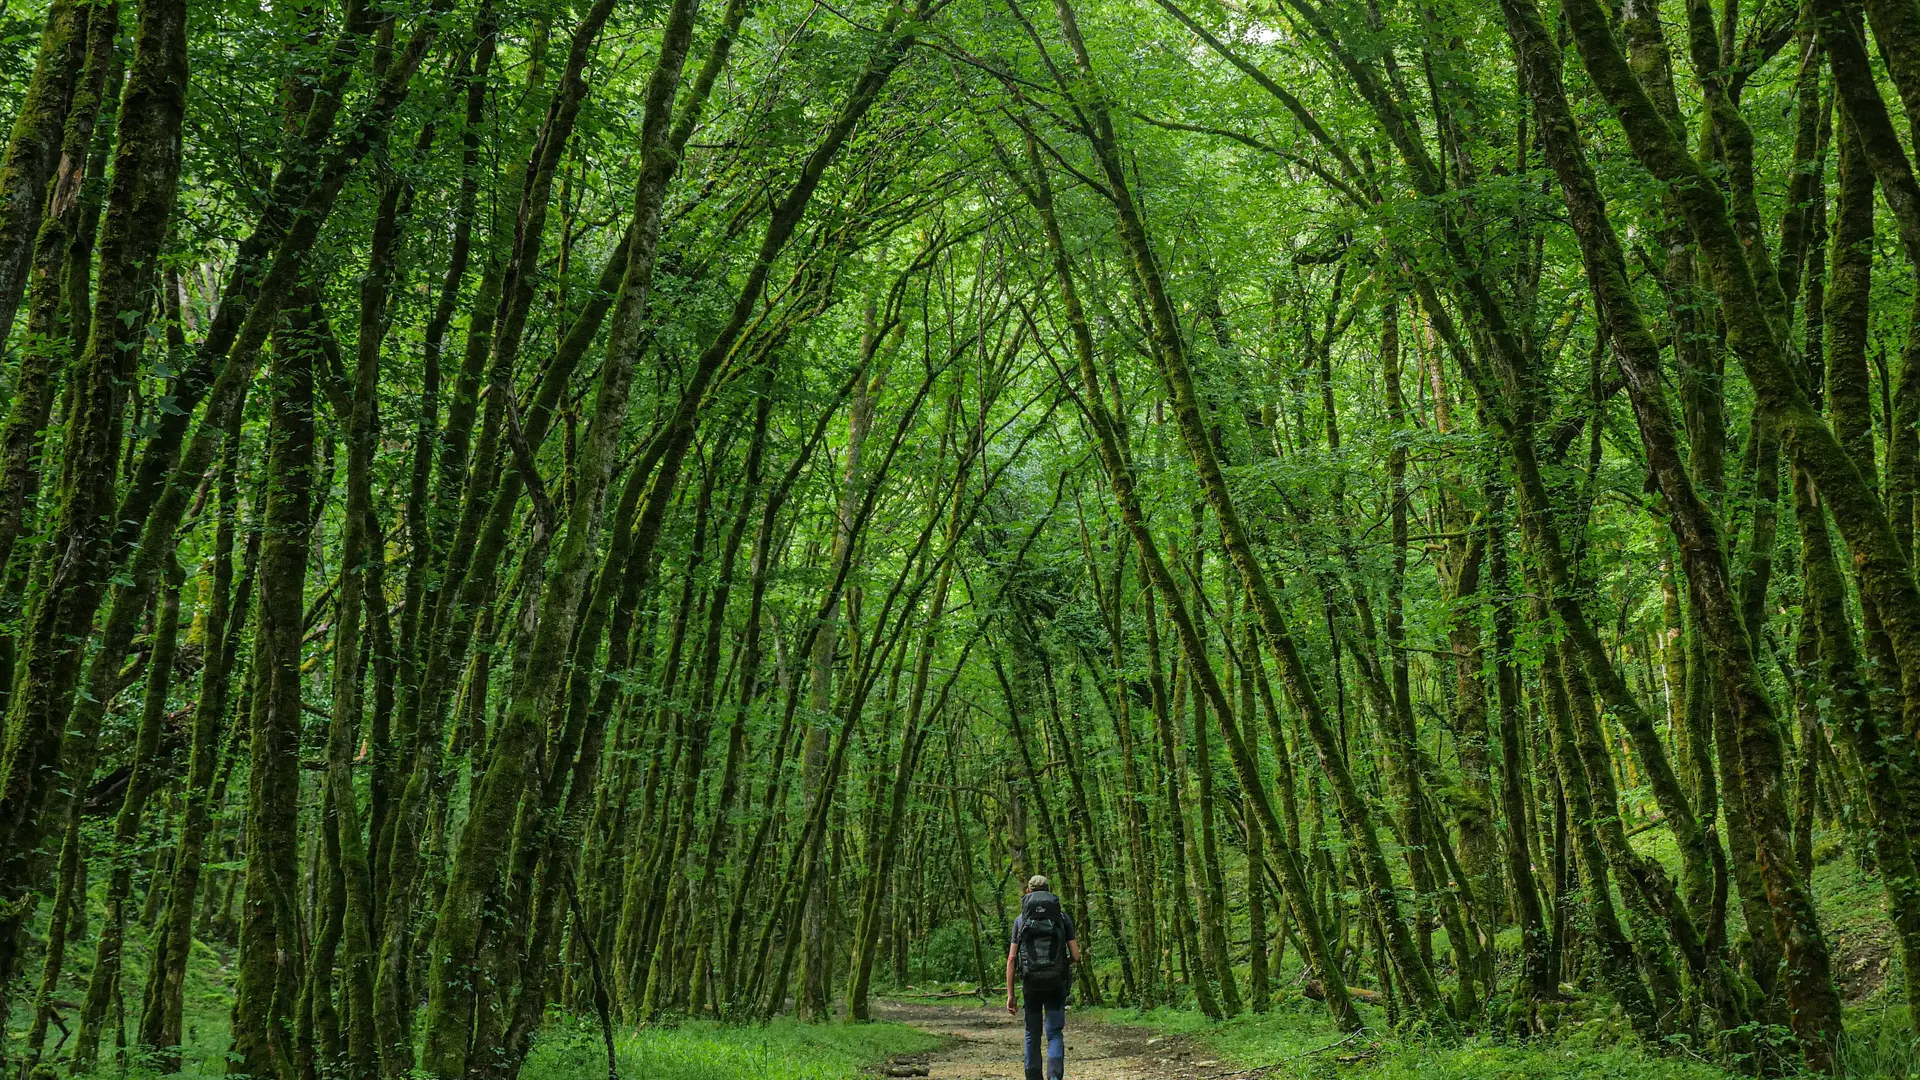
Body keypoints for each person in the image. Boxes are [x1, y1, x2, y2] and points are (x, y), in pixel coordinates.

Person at [1005, 875, 1081, 1080]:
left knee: (1032, 1033)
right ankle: (1055, 1077)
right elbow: (1075, 955)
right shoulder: (1062, 918)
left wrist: (1010, 994)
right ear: (1048, 890)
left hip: (1030, 983)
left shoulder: (1020, 921)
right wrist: (1060, 965)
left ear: (1028, 892)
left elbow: (1012, 958)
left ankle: (1033, 1077)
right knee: (1055, 1032)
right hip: (1056, 983)